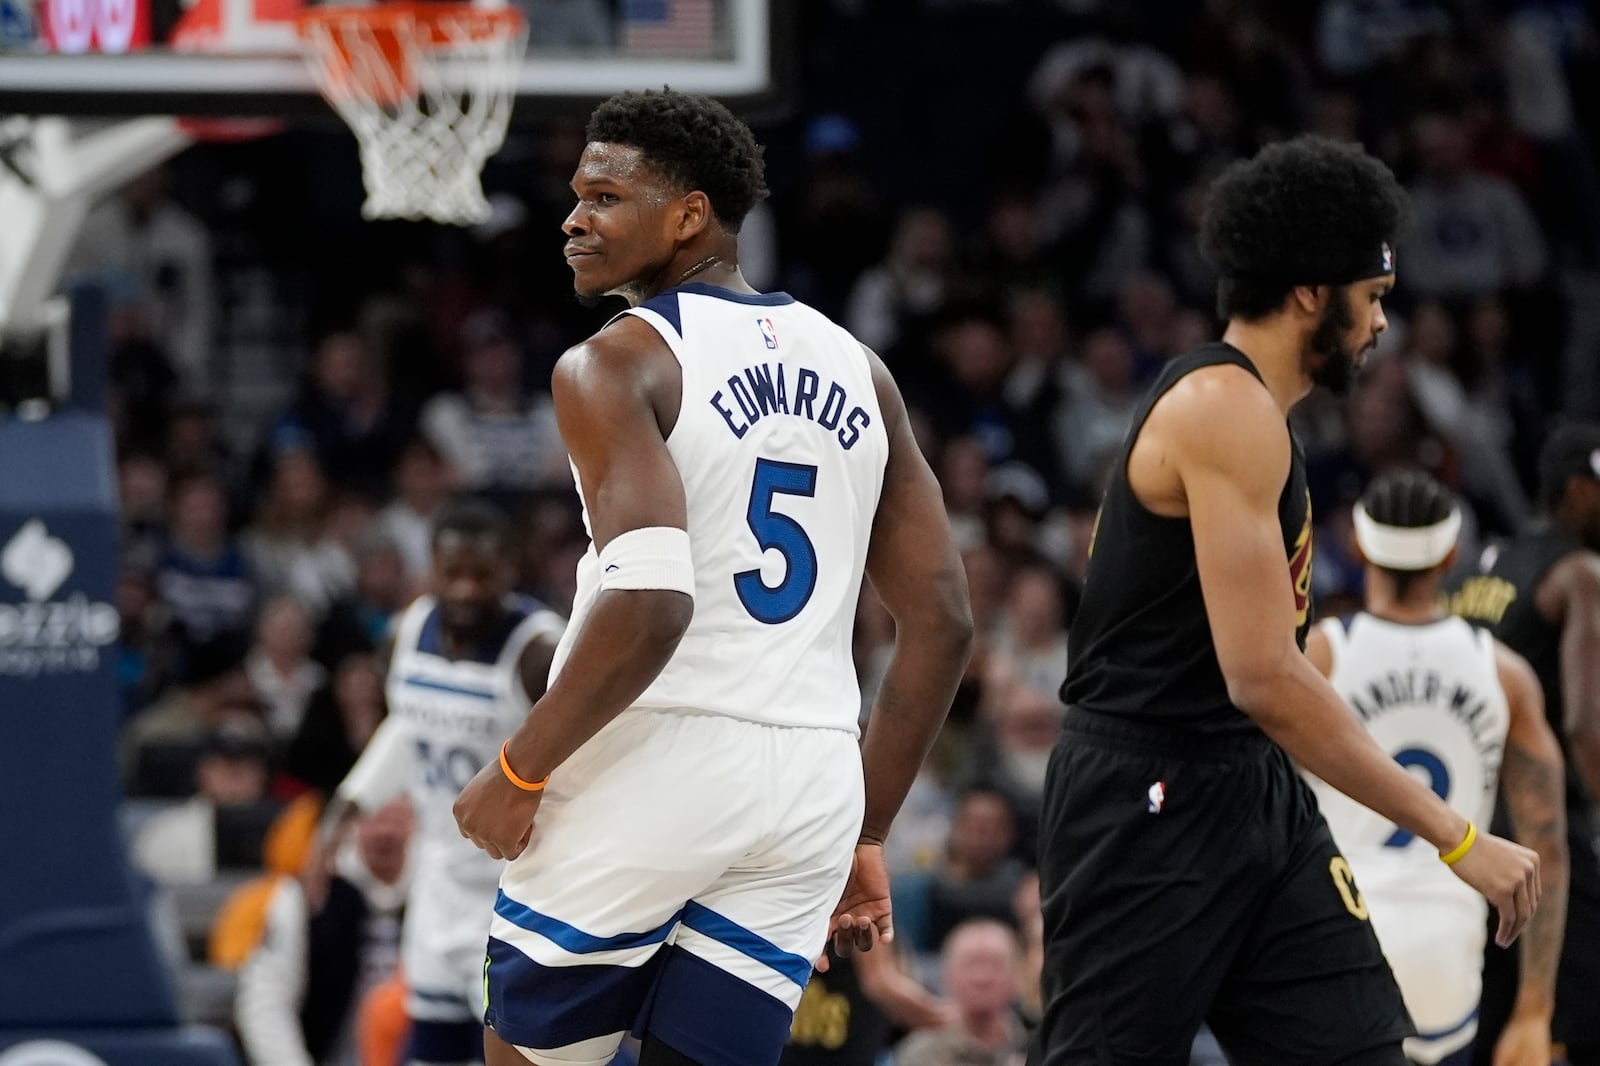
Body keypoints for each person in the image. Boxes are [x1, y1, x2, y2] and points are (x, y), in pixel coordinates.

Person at [450, 88, 974, 1066]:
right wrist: (867, 831)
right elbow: (942, 620)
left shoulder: (615, 363)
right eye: (575, 196)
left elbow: (651, 604)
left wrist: (519, 768)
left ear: (688, 214)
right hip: (812, 782)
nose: (573, 218)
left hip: (658, 755)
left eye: (604, 197)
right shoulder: (862, 367)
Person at [1033, 135, 1541, 1066]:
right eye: (1375, 299)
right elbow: (1264, 674)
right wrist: (1455, 835)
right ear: (1313, 291)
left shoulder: (1258, 416)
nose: (1383, 325)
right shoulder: (1224, 409)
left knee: (1361, 1053)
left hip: (1249, 786)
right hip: (1147, 797)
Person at [1304, 471, 1567, 1066]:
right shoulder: (1504, 672)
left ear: (1359, 546)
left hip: (1339, 928)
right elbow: (1544, 846)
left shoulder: (1317, 657)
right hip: (1447, 949)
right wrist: (1534, 1008)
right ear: (1451, 554)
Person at [322, 499, 564, 1066]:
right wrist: (347, 806)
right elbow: (405, 731)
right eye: (451, 573)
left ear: (512, 568)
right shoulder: (406, 632)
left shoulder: (538, 651)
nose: (464, 589)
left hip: (516, 890)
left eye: (482, 575)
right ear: (430, 565)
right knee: (431, 1052)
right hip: (437, 885)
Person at [1451, 423, 1600, 1065]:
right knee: (1573, 1027)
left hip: (1479, 831)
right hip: (1551, 832)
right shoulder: (1581, 572)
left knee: (1490, 1030)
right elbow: (1584, 722)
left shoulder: (1490, 563)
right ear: (1576, 491)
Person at [235, 797, 413, 1066]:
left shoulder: (438, 899)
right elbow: (265, 1005)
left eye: (397, 820)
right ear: (349, 829)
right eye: (373, 819)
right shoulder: (307, 899)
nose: (384, 831)